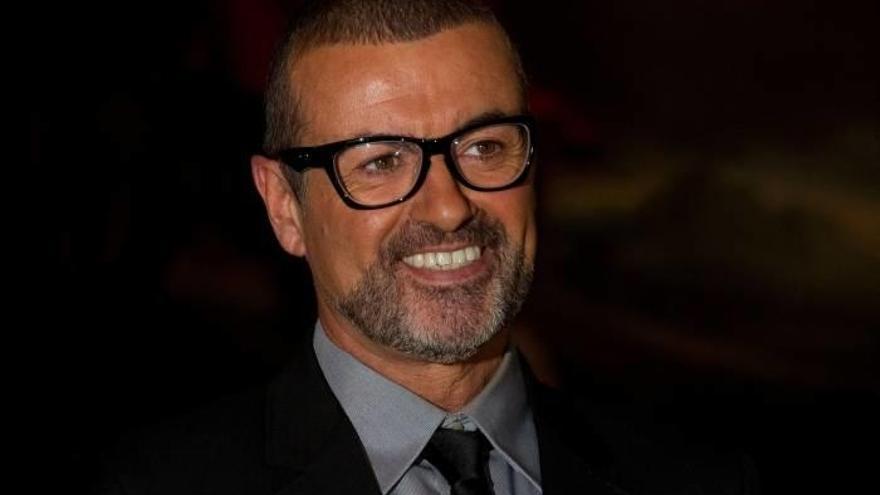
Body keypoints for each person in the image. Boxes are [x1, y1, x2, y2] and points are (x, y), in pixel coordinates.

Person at [95, 1, 758, 494]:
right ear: (284, 206)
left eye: (485, 147)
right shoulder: (154, 484)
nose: (449, 207)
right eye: (381, 161)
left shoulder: (701, 479)